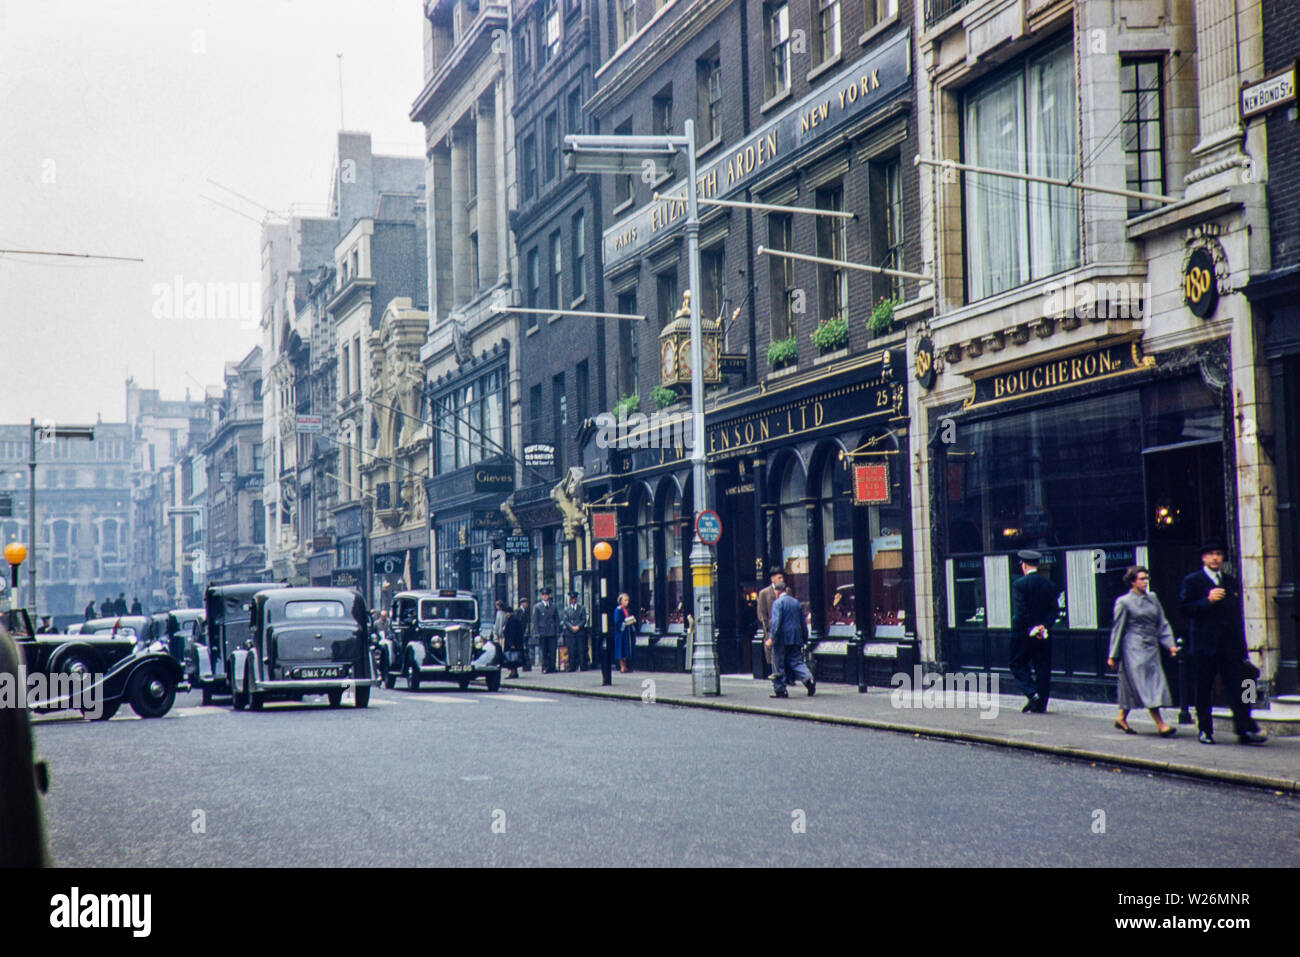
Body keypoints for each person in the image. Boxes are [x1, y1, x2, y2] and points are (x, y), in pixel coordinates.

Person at [1179, 538, 1267, 745]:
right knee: (1203, 690)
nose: (1215, 558)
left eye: (1218, 554)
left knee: (1241, 686)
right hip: (1205, 646)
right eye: (1210, 554)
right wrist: (1207, 601)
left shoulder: (1229, 579)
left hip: (1230, 646)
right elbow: (1185, 609)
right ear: (1203, 558)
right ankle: (1205, 730)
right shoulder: (1193, 581)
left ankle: (1244, 728)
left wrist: (1242, 646)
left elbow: (1236, 615)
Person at [1107, 566, 1179, 736]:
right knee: (1147, 684)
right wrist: (1113, 655)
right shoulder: (1124, 602)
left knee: (1132, 684)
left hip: (1151, 646)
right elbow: (1117, 629)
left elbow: (1162, 622)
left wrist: (1170, 644)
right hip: (1134, 647)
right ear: (1132, 582)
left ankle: (1121, 718)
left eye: (1146, 578)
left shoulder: (1153, 598)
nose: (1145, 582)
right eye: (1141, 579)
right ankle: (1161, 724)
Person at [1009, 549, 1062, 713]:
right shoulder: (1049, 585)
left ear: (1024, 565)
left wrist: (1033, 627)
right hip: (1044, 634)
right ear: (1037, 565)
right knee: (1043, 667)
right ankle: (1041, 704)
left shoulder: (1019, 585)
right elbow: (1054, 610)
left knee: (1016, 663)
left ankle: (1032, 693)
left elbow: (1021, 610)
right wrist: (1043, 626)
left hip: (1024, 633)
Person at [766, 580, 814, 698]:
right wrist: (805, 637)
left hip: (782, 638)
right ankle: (808, 679)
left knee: (778, 663)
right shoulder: (796, 602)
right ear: (786, 590)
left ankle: (780, 690)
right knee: (797, 661)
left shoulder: (778, 603)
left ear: (777, 591)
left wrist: (771, 638)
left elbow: (776, 622)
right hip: (796, 637)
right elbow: (802, 622)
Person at [756, 567, 784, 678]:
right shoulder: (764, 593)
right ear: (773, 579)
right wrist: (766, 628)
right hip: (771, 628)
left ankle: (785, 678)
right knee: (773, 654)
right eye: (779, 577)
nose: (782, 580)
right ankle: (777, 676)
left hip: (784, 628)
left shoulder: (787, 591)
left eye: (782, 577)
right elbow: (761, 613)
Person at [531, 587, 560, 674]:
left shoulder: (553, 606)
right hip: (542, 632)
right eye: (543, 595)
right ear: (541, 596)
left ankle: (552, 666)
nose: (545, 596)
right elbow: (535, 620)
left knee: (552, 650)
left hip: (552, 631)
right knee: (544, 651)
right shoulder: (537, 607)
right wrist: (536, 632)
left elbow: (557, 620)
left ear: (549, 596)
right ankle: (545, 667)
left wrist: (557, 631)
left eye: (546, 595)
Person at [561, 591, 588, 672]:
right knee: (571, 650)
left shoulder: (582, 608)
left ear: (576, 599)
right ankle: (572, 666)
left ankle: (582, 666)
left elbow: (584, 620)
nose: (573, 600)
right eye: (571, 599)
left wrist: (578, 627)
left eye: (574, 599)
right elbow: (565, 620)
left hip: (579, 632)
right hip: (570, 632)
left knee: (581, 649)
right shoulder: (566, 609)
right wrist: (571, 627)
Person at [613, 592, 637, 673]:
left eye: (628, 600)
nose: (627, 602)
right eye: (625, 600)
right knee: (621, 649)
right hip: (621, 633)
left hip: (627, 632)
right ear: (621, 601)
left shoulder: (627, 610)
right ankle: (622, 666)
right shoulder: (618, 610)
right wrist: (625, 623)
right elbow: (617, 622)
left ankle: (626, 666)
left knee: (626, 649)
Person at [502, 603, 525, 679]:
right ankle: (514, 672)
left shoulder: (512, 621)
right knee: (513, 658)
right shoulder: (514, 619)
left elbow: (512, 633)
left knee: (512, 659)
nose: (505, 615)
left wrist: (511, 643)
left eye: (506, 613)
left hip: (512, 643)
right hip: (515, 643)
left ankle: (513, 672)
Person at [514, 598, 533, 671]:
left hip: (524, 633)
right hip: (520, 633)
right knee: (523, 649)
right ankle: (524, 665)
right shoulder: (518, 612)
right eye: (526, 603)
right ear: (522, 604)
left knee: (526, 649)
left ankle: (526, 665)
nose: (527, 605)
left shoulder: (525, 612)